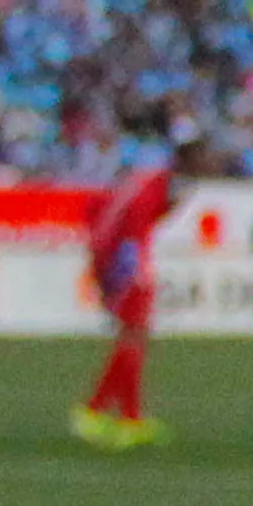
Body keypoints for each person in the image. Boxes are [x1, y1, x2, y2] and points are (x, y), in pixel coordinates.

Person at [67, 145, 175, 451]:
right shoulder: (146, 193)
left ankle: (113, 414)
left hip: (121, 266)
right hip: (128, 271)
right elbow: (130, 238)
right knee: (133, 336)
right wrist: (126, 276)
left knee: (133, 337)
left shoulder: (134, 190)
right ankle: (112, 415)